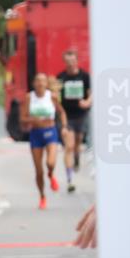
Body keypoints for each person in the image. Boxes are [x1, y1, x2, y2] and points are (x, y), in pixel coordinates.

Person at [20, 72, 66, 210]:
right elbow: (22, 118)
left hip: (50, 131)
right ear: (34, 83)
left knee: (50, 163)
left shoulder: (51, 97)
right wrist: (33, 120)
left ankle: (51, 174)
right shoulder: (29, 97)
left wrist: (64, 127)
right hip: (36, 134)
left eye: (43, 81)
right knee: (38, 170)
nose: (40, 83)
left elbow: (61, 112)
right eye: (38, 81)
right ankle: (42, 196)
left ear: (47, 83)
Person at [56, 49, 91, 193]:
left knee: (77, 143)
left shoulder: (84, 76)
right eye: (67, 61)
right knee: (68, 146)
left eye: (72, 61)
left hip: (81, 115)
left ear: (76, 61)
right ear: (64, 62)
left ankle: (77, 157)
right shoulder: (61, 77)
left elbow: (91, 94)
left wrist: (87, 102)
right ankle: (70, 179)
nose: (70, 64)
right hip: (66, 116)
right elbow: (56, 96)